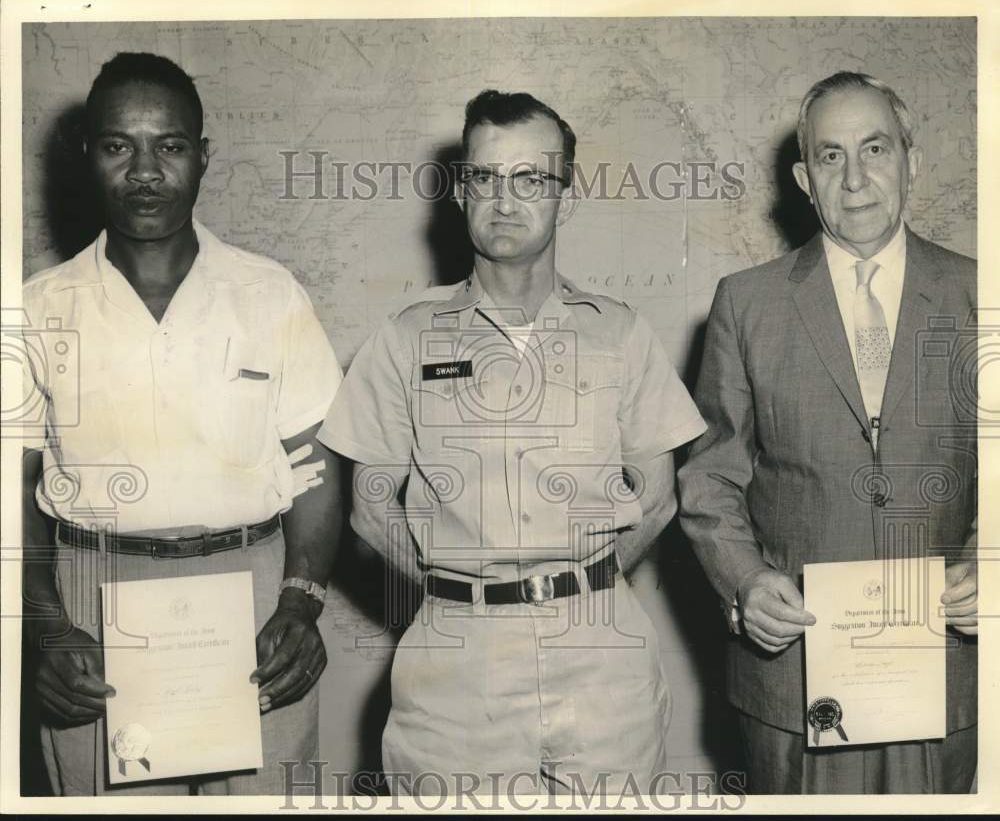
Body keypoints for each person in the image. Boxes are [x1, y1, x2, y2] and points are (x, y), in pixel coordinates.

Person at [318, 89, 706, 796]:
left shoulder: (619, 333)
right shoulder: (406, 338)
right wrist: (460, 590)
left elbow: (657, 499)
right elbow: (370, 511)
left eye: (530, 179)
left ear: (566, 195)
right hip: (456, 666)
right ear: (460, 193)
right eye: (484, 178)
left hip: (602, 657)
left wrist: (574, 587)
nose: (505, 200)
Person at [19, 52, 343, 796]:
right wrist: (46, 627)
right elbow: (14, 490)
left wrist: (300, 600)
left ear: (202, 157)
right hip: (91, 611)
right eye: (117, 146)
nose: (144, 171)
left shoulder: (271, 295)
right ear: (86, 156)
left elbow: (317, 467)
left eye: (168, 145)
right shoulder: (39, 310)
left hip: (255, 602)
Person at [677, 71, 978, 794]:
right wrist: (744, 582)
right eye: (831, 156)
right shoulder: (746, 304)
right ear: (804, 179)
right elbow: (708, 476)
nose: (856, 178)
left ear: (911, 158)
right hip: (795, 677)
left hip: (950, 669)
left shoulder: (984, 292)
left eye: (875, 148)